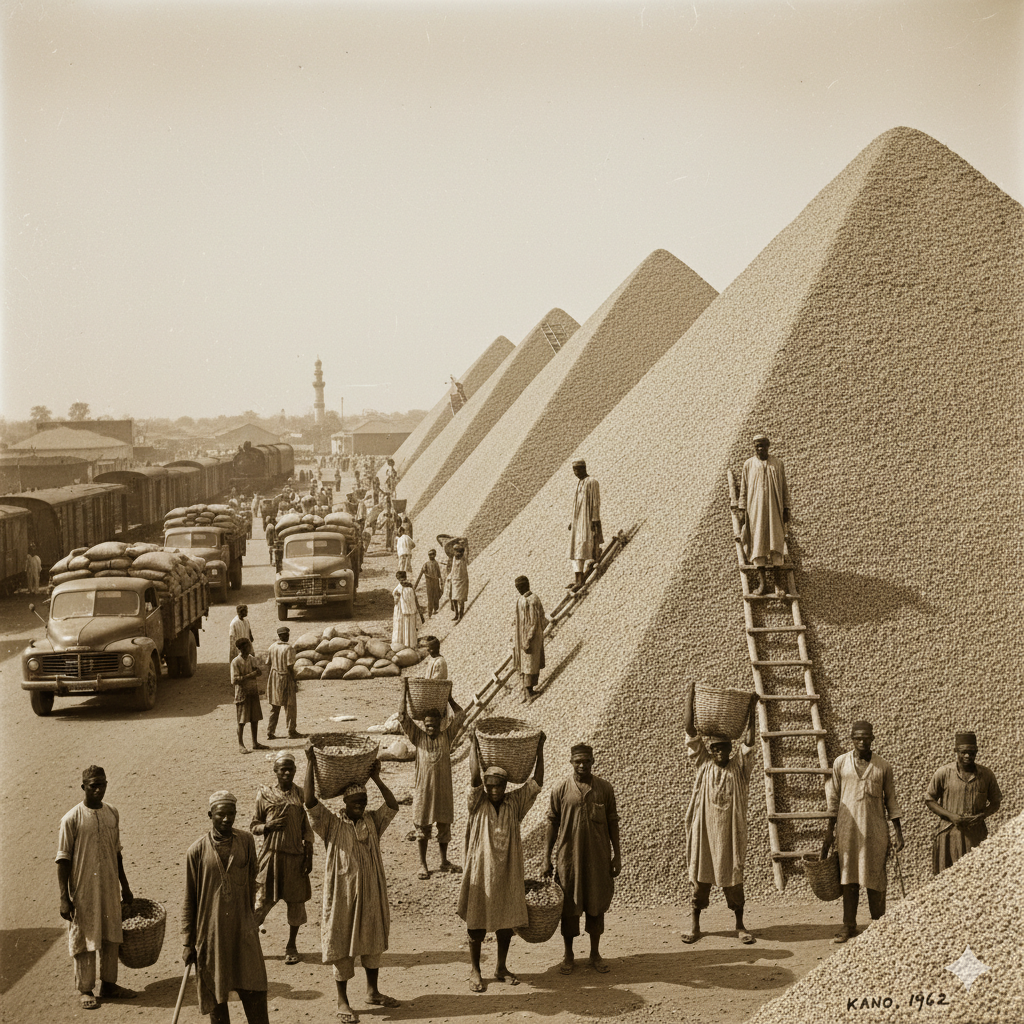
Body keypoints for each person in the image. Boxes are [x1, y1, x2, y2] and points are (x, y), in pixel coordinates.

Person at [303, 750, 400, 1022]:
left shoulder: (372, 821)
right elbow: (309, 800)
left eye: (363, 801)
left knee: (372, 941)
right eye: (355, 801)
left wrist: (377, 780)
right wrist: (311, 763)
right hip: (343, 895)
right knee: (341, 942)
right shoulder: (332, 824)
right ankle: (342, 1000)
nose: (360, 805)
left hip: (371, 893)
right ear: (345, 803)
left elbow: (392, 806)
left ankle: (373, 992)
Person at [457, 730, 546, 992]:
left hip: (507, 870)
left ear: (506, 787)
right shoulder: (477, 802)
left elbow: (536, 782)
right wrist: (473, 745)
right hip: (481, 871)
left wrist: (539, 748)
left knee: (506, 922)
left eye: (498, 786)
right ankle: (475, 970)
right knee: (477, 922)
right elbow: (474, 777)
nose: (494, 790)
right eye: (490, 785)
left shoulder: (514, 803)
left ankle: (501, 967)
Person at [182, 792, 269, 1024]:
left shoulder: (246, 841)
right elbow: (190, 899)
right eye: (221, 814)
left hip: (243, 930)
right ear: (210, 815)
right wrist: (187, 943)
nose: (226, 819)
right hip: (211, 934)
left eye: (231, 814)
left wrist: (253, 915)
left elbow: (254, 880)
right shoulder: (196, 851)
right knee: (216, 995)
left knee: (255, 987)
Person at [682, 678, 757, 945]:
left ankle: (740, 925)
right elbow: (691, 729)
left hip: (729, 834)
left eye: (724, 748)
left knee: (733, 878)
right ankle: (695, 925)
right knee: (699, 880)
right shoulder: (703, 764)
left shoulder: (739, 768)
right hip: (705, 834)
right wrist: (690, 695)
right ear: (709, 750)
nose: (719, 753)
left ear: (730, 750)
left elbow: (749, 742)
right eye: (714, 748)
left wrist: (752, 711)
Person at [56, 766, 136, 1011]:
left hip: (109, 886)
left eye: (102, 784)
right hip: (84, 888)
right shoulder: (71, 818)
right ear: (83, 787)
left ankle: (109, 984)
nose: (98, 789)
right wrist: (64, 898)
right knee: (85, 935)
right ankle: (85, 989)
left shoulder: (112, 813)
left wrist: (125, 886)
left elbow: (117, 852)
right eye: (93, 785)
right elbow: (62, 859)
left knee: (111, 934)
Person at [822, 721, 904, 944]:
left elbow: (891, 800)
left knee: (876, 875)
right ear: (852, 739)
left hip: (875, 830)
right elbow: (833, 798)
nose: (862, 741)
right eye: (858, 737)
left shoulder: (883, 766)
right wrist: (829, 831)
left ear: (872, 739)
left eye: (866, 737)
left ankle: (879, 923)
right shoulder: (841, 763)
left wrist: (898, 832)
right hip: (847, 829)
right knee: (849, 876)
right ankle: (849, 925)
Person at [542, 744, 621, 975]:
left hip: (598, 859)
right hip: (569, 859)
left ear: (593, 761)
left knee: (596, 905)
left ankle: (595, 953)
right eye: (578, 761)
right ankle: (568, 955)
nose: (582, 765)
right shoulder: (560, 789)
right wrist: (546, 857)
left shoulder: (604, 788)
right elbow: (552, 821)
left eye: (586, 760)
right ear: (571, 762)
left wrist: (617, 855)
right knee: (569, 907)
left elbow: (613, 821)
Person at [398, 683, 466, 879]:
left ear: (440, 724)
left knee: (444, 826)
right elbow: (402, 717)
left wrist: (450, 699)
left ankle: (444, 861)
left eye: (434, 725)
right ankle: (423, 864)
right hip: (424, 791)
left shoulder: (447, 736)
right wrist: (404, 691)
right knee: (423, 828)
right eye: (427, 725)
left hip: (443, 790)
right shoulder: (418, 737)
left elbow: (461, 716)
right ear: (423, 725)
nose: (430, 729)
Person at [251, 752, 313, 965]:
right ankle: (250, 944)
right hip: (271, 856)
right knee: (260, 901)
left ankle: (291, 944)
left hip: (296, 857)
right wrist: (267, 826)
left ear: (295, 771)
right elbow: (254, 826)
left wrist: (309, 856)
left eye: (290, 769)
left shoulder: (301, 795)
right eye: (282, 769)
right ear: (275, 772)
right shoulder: (264, 795)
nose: (286, 772)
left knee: (296, 904)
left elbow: (307, 828)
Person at [924, 731, 1002, 875]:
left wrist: (981, 816)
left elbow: (996, 803)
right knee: (947, 878)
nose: (967, 756)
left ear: (976, 752)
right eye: (964, 752)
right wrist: (951, 816)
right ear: (956, 751)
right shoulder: (943, 773)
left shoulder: (986, 775)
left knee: (975, 878)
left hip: (976, 835)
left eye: (971, 752)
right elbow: (929, 799)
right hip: (949, 833)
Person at [737, 434, 791, 598]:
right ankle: (762, 584)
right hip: (755, 511)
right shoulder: (749, 465)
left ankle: (777, 584)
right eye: (757, 446)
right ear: (754, 447)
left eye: (763, 445)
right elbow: (744, 489)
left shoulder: (777, 464)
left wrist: (786, 508)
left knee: (776, 543)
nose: (760, 448)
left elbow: (784, 488)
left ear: (768, 446)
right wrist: (742, 509)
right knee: (758, 544)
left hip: (774, 510)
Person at [568, 459, 602, 591]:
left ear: (583, 468)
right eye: (574, 470)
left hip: (587, 520)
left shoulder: (591, 482)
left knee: (581, 547)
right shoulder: (579, 483)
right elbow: (576, 505)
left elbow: (595, 502)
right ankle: (578, 578)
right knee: (574, 550)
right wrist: (572, 521)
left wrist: (594, 520)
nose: (575, 473)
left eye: (577, 470)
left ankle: (580, 579)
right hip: (578, 522)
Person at [512, 575, 547, 703]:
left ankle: (529, 691)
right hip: (523, 636)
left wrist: (529, 638)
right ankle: (528, 692)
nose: (519, 590)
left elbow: (534, 621)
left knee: (531, 662)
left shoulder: (532, 600)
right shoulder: (522, 600)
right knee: (526, 663)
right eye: (517, 588)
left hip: (530, 637)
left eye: (520, 587)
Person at [231, 638, 266, 755]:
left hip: (253, 692)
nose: (249, 648)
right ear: (241, 648)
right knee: (241, 721)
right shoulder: (235, 662)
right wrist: (251, 675)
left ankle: (255, 743)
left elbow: (259, 672)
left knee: (254, 718)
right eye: (247, 647)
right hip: (242, 694)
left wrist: (257, 672)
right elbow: (235, 680)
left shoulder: (252, 659)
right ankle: (241, 745)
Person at [266, 626, 301, 740]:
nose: (287, 636)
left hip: (274, 677)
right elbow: (290, 666)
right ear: (281, 636)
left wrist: (270, 678)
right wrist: (294, 680)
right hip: (286, 677)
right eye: (286, 635)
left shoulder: (272, 647)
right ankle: (291, 731)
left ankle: (270, 731)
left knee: (275, 707)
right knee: (290, 705)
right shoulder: (289, 648)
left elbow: (268, 664)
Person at [392, 571, 421, 651]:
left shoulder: (399, 588)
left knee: (405, 626)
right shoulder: (409, 587)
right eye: (401, 579)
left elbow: (396, 601)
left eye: (402, 579)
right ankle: (407, 644)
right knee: (406, 626)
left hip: (403, 610)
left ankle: (406, 644)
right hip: (405, 610)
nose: (402, 581)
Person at [414, 549, 443, 617]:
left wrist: (440, 581)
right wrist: (414, 587)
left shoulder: (436, 563)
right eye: (430, 554)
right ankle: (430, 612)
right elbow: (420, 575)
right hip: (429, 582)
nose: (431, 556)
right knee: (430, 596)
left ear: (435, 555)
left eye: (432, 554)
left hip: (436, 582)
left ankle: (435, 609)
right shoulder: (426, 564)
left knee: (436, 595)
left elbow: (439, 574)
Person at [448, 545, 469, 622]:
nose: (456, 553)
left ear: (461, 552)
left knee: (461, 599)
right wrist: (450, 576)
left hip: (462, 580)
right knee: (454, 598)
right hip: (455, 580)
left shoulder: (463, 559)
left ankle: (461, 614)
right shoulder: (454, 558)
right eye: (455, 551)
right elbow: (453, 569)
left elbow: (467, 551)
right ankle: (456, 614)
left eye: (457, 551)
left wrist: (464, 544)